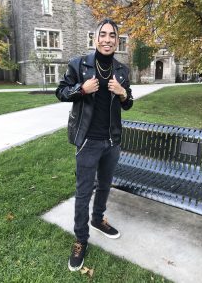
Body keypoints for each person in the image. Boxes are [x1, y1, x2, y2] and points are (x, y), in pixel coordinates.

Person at [55, 18, 133, 271]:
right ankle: (80, 239)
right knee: (83, 191)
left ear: (117, 40)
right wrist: (81, 89)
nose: (107, 39)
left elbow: (127, 103)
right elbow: (61, 91)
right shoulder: (79, 64)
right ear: (95, 38)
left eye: (113, 35)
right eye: (103, 34)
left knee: (104, 186)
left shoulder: (122, 70)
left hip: (112, 141)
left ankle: (98, 219)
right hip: (88, 140)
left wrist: (123, 93)